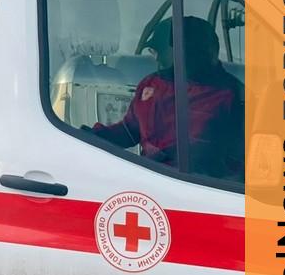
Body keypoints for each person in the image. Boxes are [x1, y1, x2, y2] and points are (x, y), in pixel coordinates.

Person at [88, 15, 243, 179]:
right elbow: (130, 131)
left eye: (160, 51)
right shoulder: (151, 85)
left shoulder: (232, 94)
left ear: (188, 51)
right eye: (153, 52)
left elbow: (241, 162)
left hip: (197, 186)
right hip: (149, 179)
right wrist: (92, 136)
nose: (156, 58)